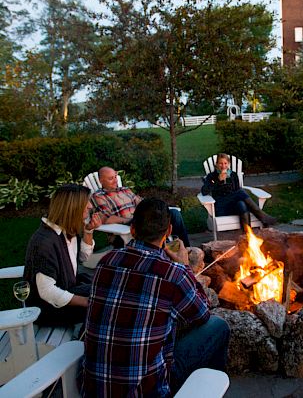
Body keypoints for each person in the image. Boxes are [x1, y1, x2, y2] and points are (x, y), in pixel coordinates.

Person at [82, 198, 230, 397]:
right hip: (146, 390)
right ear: (168, 231)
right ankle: (207, 387)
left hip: (95, 388)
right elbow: (202, 314)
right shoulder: (173, 273)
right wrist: (186, 267)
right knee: (218, 326)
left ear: (132, 230)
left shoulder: (107, 261)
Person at [23, 184, 102, 326]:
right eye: (86, 202)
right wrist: (86, 302)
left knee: (109, 291)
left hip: (67, 290)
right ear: (73, 206)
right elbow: (47, 291)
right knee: (106, 306)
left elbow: (84, 258)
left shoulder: (66, 230)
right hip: (47, 310)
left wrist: (89, 231)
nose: (90, 206)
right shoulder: (44, 242)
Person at [91, 166, 190, 247]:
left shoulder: (125, 190)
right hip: (129, 225)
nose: (115, 180)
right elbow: (106, 218)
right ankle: (165, 248)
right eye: (110, 178)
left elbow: (142, 203)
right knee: (156, 223)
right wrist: (126, 220)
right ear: (101, 181)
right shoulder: (99, 196)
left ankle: (186, 249)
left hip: (143, 217)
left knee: (174, 214)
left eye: (115, 177)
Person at [200, 153, 277, 232]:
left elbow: (236, 191)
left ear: (229, 164)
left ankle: (248, 235)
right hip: (221, 208)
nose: (223, 166)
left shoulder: (233, 175)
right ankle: (262, 216)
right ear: (216, 164)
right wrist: (217, 180)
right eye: (220, 163)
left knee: (241, 204)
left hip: (233, 206)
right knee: (240, 192)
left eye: (225, 163)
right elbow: (204, 191)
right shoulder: (211, 176)